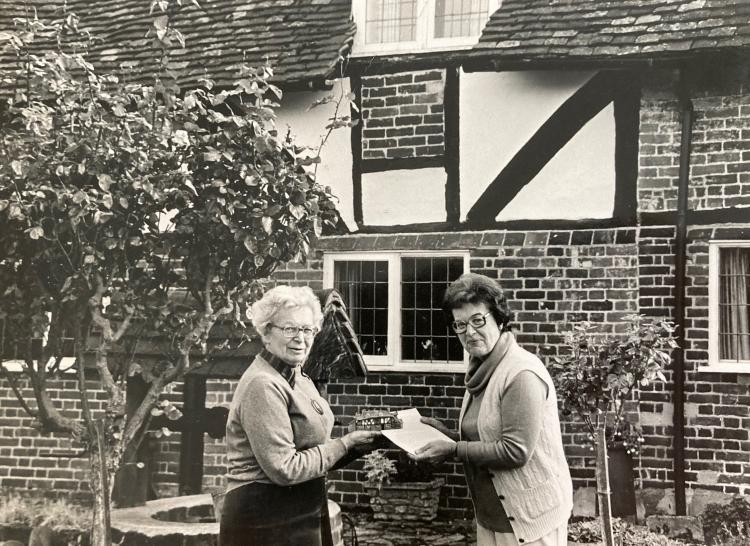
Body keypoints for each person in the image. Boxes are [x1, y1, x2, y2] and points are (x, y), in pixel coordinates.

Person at [413, 273, 572, 546]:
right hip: (493, 517)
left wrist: (453, 449)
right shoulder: (481, 368)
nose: (469, 333)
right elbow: (485, 438)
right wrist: (448, 436)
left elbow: (515, 450)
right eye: (460, 325)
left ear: (499, 319)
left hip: (530, 521)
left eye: (478, 321)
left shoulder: (521, 372)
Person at [220, 285, 379, 546]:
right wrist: (345, 443)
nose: (300, 338)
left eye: (307, 330)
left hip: (302, 509)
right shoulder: (263, 384)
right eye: (290, 329)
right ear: (267, 332)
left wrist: (361, 444)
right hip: (264, 519)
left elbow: (315, 451)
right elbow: (286, 469)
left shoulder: (298, 376)